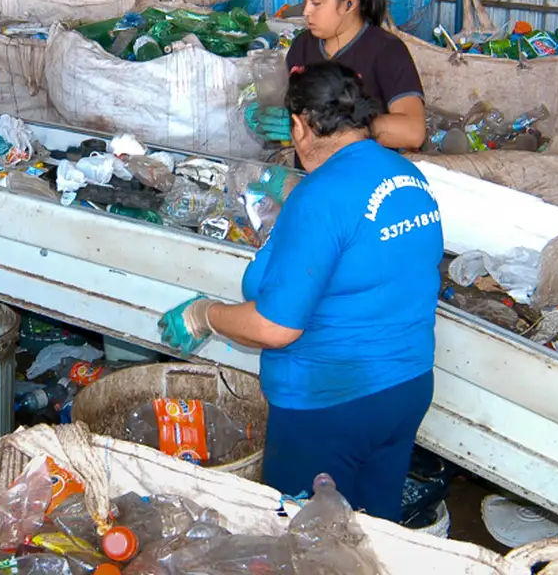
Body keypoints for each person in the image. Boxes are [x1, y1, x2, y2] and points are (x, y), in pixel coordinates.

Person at [161, 62, 443, 521]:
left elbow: (276, 326)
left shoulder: (322, 198)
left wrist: (205, 314)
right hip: (405, 390)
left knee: (306, 545)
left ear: (299, 125)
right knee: (374, 535)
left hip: (330, 404)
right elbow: (369, 243)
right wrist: (298, 189)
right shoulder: (407, 176)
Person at [245, 0, 426, 151]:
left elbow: (413, 133)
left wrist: (329, 126)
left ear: (349, 4)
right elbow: (292, 108)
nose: (306, 11)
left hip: (362, 176)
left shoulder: (387, 50)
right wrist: (272, 117)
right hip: (311, 174)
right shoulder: (303, 45)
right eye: (305, 0)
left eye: (316, 3)